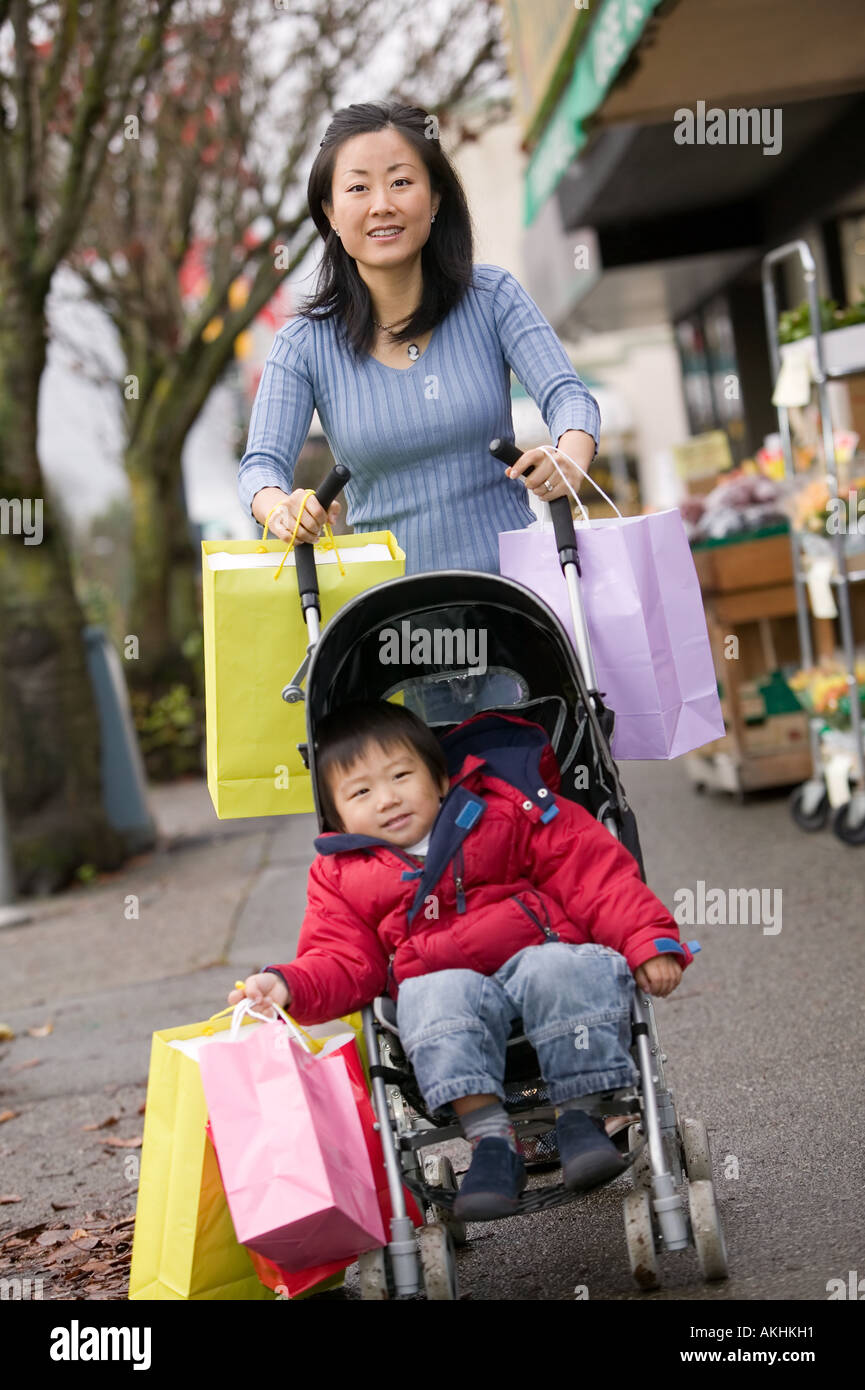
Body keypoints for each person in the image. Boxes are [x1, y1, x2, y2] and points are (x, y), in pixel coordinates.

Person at [229, 701, 693, 1222]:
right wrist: (286, 984)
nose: (387, 799)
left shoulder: (506, 810)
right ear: (336, 816)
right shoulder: (342, 875)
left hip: (537, 959)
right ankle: (492, 1142)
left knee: (562, 968)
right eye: (361, 792)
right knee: (428, 996)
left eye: (402, 776)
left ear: (441, 778)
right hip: (446, 992)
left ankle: (580, 1116)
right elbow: (340, 957)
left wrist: (647, 939)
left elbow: (593, 876)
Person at [237, 100, 601, 580]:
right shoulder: (302, 345)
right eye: (358, 187)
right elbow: (259, 467)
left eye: (401, 181)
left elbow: (569, 397)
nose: (382, 203)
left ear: (434, 200)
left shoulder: (492, 297)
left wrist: (568, 460)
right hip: (389, 623)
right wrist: (282, 508)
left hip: (519, 600)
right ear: (330, 211)